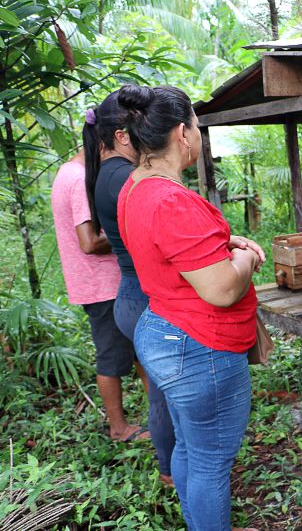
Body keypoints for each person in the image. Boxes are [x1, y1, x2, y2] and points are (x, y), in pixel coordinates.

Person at [116, 83, 263, 531]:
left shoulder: (136, 187)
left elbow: (170, 250)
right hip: (199, 345)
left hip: (162, 332)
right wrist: (245, 257)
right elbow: (220, 289)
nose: (198, 134)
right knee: (210, 463)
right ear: (183, 133)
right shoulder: (172, 199)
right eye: (197, 126)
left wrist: (222, 243)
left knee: (189, 447)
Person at [83, 91, 176, 485]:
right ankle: (173, 470)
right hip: (142, 295)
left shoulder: (108, 173)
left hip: (131, 293)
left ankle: (171, 468)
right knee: (166, 395)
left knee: (162, 389)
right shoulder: (125, 177)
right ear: (122, 135)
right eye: (141, 130)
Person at [50, 148, 149, 443]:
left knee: (140, 351)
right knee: (112, 358)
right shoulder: (80, 178)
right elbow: (89, 242)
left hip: (100, 283)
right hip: (103, 285)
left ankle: (163, 413)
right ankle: (118, 428)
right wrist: (126, 235)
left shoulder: (68, 172)